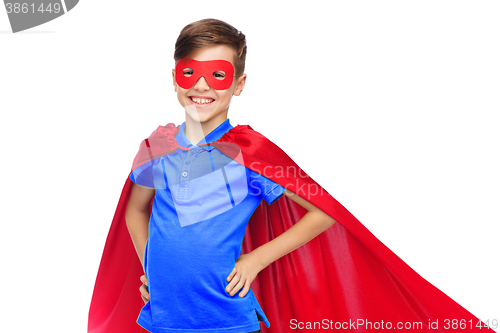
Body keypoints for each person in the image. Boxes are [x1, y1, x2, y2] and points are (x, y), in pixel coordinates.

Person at [88, 18, 495, 333]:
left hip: (227, 316)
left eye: (218, 75)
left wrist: (256, 260)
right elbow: (136, 211)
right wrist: (151, 266)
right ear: (175, 78)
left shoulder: (250, 153)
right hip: (163, 315)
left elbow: (323, 212)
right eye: (190, 73)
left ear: (239, 84)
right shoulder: (157, 146)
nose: (202, 87)